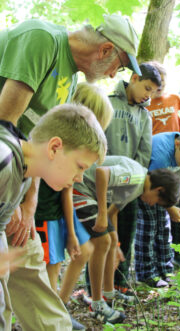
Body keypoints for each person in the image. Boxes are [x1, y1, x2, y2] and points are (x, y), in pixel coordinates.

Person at [0, 13, 140, 330]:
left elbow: (40, 143)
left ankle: (55, 325)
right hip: (3, 180)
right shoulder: (43, 39)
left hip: (16, 188)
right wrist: (11, 205)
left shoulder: (70, 81)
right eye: (118, 66)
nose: (112, 75)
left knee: (28, 260)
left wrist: (29, 203)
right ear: (105, 50)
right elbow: (4, 128)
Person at [0, 103, 107, 331]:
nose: (79, 178)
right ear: (54, 148)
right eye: (79, 166)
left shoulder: (24, 174)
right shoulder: (4, 161)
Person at [73, 155, 180, 324]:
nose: (153, 205)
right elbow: (102, 173)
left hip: (90, 194)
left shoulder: (136, 189)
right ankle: (97, 304)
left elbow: (113, 212)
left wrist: (115, 241)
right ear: (159, 189)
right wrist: (101, 214)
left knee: (111, 242)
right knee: (103, 242)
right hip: (79, 188)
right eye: (158, 202)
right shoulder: (136, 176)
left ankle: (109, 294)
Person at [35, 82, 113, 310]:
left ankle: (59, 307)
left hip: (57, 210)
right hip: (48, 212)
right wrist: (70, 232)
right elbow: (65, 190)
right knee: (50, 270)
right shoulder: (67, 143)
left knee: (76, 254)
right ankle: (51, 314)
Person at [104, 62, 161, 294]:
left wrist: (133, 182)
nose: (148, 95)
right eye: (147, 88)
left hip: (129, 188)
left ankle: (120, 283)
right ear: (135, 78)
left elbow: (144, 152)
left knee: (125, 236)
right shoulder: (107, 102)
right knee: (103, 237)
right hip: (103, 182)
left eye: (153, 92)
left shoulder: (145, 116)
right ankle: (96, 286)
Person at [135, 128, 180, 287]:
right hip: (146, 188)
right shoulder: (161, 154)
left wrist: (173, 205)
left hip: (163, 190)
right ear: (177, 144)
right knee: (149, 228)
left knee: (164, 228)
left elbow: (177, 182)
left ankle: (165, 269)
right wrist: (171, 207)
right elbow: (152, 188)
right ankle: (146, 273)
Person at [147, 61, 180, 268]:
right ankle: (159, 256)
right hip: (158, 157)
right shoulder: (145, 103)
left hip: (177, 155)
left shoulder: (174, 99)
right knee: (160, 210)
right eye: (158, 83)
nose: (161, 87)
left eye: (164, 82)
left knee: (177, 208)